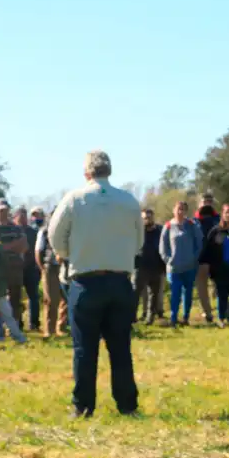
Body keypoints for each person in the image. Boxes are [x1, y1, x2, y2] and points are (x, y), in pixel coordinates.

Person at [48, 150, 142, 417]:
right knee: (120, 348)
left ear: (86, 172)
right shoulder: (128, 201)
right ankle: (127, 405)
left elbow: (55, 238)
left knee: (84, 349)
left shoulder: (74, 199)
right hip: (120, 281)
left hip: (86, 281)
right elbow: (139, 242)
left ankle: (83, 406)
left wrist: (70, 254)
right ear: (109, 170)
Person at [200, 204, 229, 325]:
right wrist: (209, 269)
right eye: (226, 212)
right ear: (222, 215)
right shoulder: (215, 231)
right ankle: (221, 318)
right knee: (222, 296)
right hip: (221, 269)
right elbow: (208, 250)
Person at [160, 201, 202, 327]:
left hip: (189, 267)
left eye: (183, 209)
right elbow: (163, 247)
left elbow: (199, 242)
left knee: (188, 293)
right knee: (175, 293)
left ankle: (185, 317)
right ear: (174, 210)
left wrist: (194, 258)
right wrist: (169, 260)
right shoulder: (168, 226)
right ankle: (173, 318)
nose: (180, 212)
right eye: (178, 209)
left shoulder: (191, 225)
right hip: (174, 269)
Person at [0, 198, 29, 329]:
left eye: (5, 210)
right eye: (0, 210)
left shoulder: (15, 227)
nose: (3, 212)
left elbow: (23, 246)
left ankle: (15, 325)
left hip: (14, 266)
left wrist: (4, 246)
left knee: (15, 296)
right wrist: (12, 245)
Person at [35, 210, 68, 338]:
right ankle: (49, 330)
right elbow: (38, 251)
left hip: (64, 266)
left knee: (65, 298)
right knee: (51, 300)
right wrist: (42, 268)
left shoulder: (67, 231)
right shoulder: (44, 231)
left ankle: (61, 327)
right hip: (50, 268)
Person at [133, 208, 165, 325]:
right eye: (145, 218)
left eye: (149, 217)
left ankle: (150, 319)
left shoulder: (160, 231)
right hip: (140, 267)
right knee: (135, 294)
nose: (147, 220)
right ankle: (132, 318)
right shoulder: (137, 232)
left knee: (154, 296)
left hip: (156, 267)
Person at [193, 193, 220, 324]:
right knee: (202, 287)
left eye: (210, 201)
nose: (207, 203)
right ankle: (208, 313)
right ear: (200, 203)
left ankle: (221, 311)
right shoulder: (194, 221)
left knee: (219, 286)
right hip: (200, 258)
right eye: (204, 201)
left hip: (216, 258)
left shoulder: (218, 218)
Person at [19, 208, 44, 332]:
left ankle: (34, 323)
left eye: (24, 216)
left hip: (30, 269)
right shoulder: (13, 231)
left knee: (33, 297)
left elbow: (36, 249)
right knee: (15, 297)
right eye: (20, 216)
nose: (22, 218)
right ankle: (18, 323)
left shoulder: (32, 232)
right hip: (16, 269)